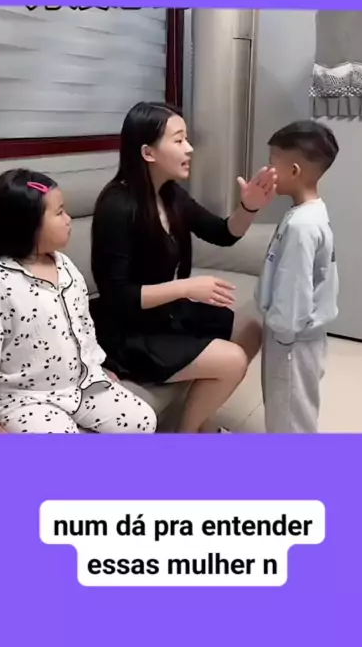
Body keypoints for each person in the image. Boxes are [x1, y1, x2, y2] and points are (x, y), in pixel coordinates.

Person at [91, 101, 277, 434]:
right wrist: (188, 288)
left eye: (186, 139)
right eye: (178, 140)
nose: (189, 148)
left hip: (163, 316)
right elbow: (118, 296)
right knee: (232, 360)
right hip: (126, 332)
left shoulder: (171, 194)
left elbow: (222, 233)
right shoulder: (116, 206)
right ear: (148, 152)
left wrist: (249, 206)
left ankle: (199, 424)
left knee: (250, 329)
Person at [0, 169, 157, 434]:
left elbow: (83, 327)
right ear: (27, 224)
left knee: (143, 421)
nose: (68, 219)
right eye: (60, 212)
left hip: (80, 385)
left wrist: (95, 367)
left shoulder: (65, 266)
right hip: (25, 398)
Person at [256, 121, 339, 434]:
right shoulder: (309, 213)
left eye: (272, 163)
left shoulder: (302, 226)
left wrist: (283, 334)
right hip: (298, 336)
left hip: (291, 339)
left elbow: (294, 289)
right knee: (292, 409)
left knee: (289, 416)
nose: (268, 170)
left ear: (293, 171)